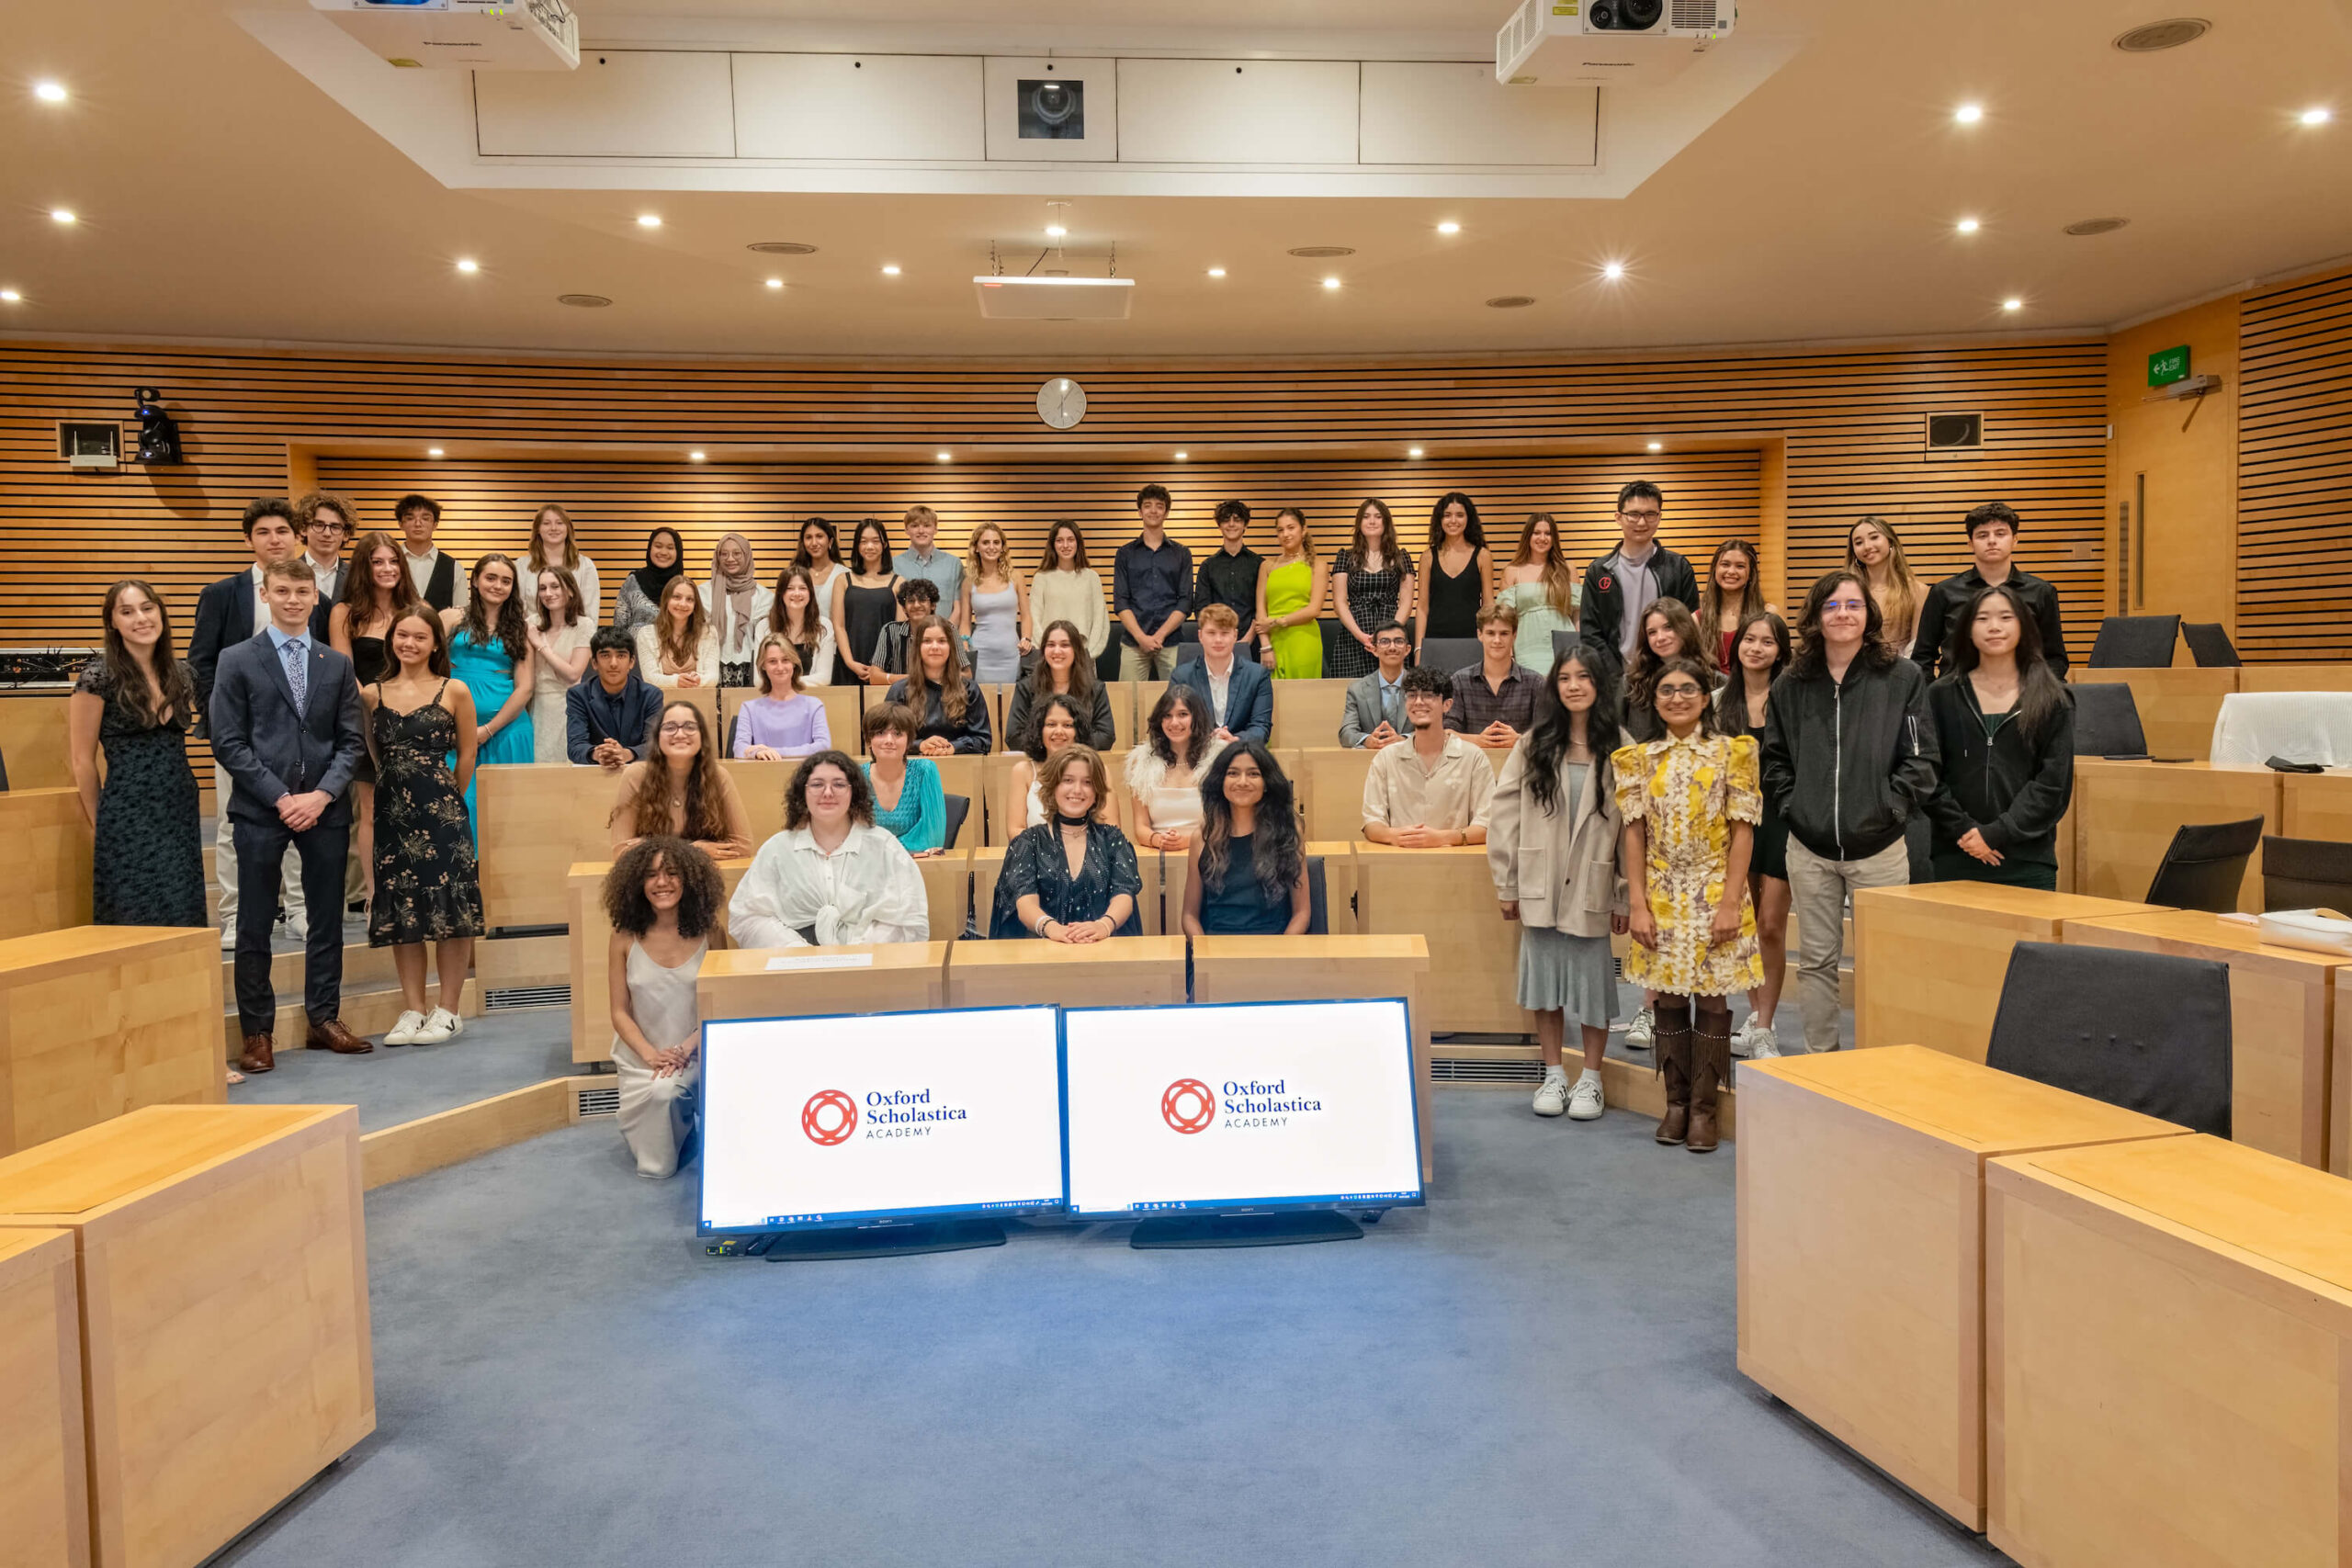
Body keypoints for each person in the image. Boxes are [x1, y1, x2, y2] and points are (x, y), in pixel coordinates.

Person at [1762, 570, 1939, 1055]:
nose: (1843, 614)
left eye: (1853, 605)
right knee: (1816, 961)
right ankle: (1825, 1063)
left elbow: (1921, 758)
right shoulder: (1791, 683)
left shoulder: (1902, 677)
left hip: (1879, 847)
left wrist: (1891, 807)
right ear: (1816, 617)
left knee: (1885, 961)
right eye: (1832, 606)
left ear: (1869, 614)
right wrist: (1794, 807)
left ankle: (1880, 1063)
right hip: (1810, 847)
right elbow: (1774, 759)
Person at [209, 556, 369, 1073]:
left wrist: (321, 795)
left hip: (323, 807)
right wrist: (281, 797)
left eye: (302, 592)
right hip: (261, 807)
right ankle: (257, 1031)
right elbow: (228, 741)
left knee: (327, 920)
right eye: (283, 591)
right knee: (255, 925)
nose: (294, 600)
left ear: (315, 598)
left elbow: (350, 741)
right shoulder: (236, 659)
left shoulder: (335, 663)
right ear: (267, 595)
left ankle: (325, 1018)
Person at [1614, 654, 1763, 1152]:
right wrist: (1638, 903)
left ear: (1705, 696)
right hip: (1660, 893)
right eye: (1666, 691)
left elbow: (1744, 834)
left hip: (1716, 888)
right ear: (1654, 701)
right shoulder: (1638, 760)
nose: (1676, 698)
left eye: (1686, 689)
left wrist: (1728, 904)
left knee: (1714, 997)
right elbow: (1633, 837)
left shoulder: (1733, 753)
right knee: (1669, 996)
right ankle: (1675, 1103)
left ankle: (1705, 1109)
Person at [1488, 645, 1626, 1122]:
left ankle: (1590, 1079)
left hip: (1594, 881)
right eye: (1565, 677)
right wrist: (1507, 883)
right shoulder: (1532, 743)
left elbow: (1633, 829)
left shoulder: (1620, 745)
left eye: (1583, 677)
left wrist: (1625, 894)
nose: (1573, 685)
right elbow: (1503, 816)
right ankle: (1553, 1073)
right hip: (1538, 880)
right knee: (1543, 982)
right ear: (1554, 686)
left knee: (1592, 986)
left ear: (1598, 685)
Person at [189, 498, 311, 949]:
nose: (274, 539)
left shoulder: (314, 592)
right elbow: (200, 664)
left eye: (282, 531)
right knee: (230, 824)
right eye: (264, 532)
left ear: (296, 538)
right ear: (249, 540)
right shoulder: (223, 594)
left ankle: (299, 909)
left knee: (300, 821)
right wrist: (222, 724)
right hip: (238, 735)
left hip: (300, 734)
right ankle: (237, 913)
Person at [361, 606, 484, 1047]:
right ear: (391, 639)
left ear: (435, 643)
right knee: (403, 909)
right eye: (401, 635)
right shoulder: (372, 694)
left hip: (443, 813)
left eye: (419, 637)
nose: (409, 644)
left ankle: (449, 1011)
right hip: (393, 815)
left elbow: (467, 753)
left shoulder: (456, 690)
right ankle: (412, 1007)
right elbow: (375, 755)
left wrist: (448, 794)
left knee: (451, 911)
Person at [69, 581, 206, 931]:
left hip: (179, 807)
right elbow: (82, 760)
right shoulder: (97, 678)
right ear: (112, 622)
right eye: (127, 612)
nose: (141, 618)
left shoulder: (183, 673)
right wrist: (100, 824)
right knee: (134, 912)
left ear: (161, 613)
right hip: (127, 813)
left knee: (181, 907)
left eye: (147, 608)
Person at [1926, 582, 2075, 890]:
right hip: (1956, 850)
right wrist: (1966, 830)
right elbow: (1928, 774)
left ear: (2024, 626)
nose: (1994, 627)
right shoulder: (1941, 695)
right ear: (1967, 629)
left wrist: (1996, 833)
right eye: (1982, 618)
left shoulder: (2052, 697)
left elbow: (2052, 784)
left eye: (2006, 618)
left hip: (2027, 858)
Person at [603, 836, 722, 1179]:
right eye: (651, 875)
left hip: (696, 1052)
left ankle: (684, 1125)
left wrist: (685, 1048)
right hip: (642, 1059)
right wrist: (651, 1055)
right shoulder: (623, 937)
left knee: (665, 1092)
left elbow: (720, 1006)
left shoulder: (712, 933)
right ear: (637, 884)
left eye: (672, 873)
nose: (662, 883)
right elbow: (618, 1012)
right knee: (656, 1167)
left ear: (690, 879)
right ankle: (680, 1132)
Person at [728, 751, 931, 948]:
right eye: (817, 784)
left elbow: (908, 915)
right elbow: (747, 916)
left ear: (854, 792)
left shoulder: (884, 846)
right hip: (793, 970)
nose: (827, 792)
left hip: (870, 967)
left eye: (839, 784)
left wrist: (859, 952)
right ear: (802, 793)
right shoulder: (777, 850)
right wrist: (796, 950)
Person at [326, 528, 420, 909]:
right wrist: (381, 705)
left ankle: (414, 884)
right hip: (367, 719)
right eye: (377, 561)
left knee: (414, 807)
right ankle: (374, 894)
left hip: (415, 720)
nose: (386, 568)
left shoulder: (415, 607)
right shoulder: (344, 612)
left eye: (393, 560)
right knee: (371, 810)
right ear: (364, 567)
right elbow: (343, 672)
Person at [1718, 610, 1793, 1060]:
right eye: (1749, 639)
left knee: (1769, 925)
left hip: (1782, 818)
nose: (1757, 648)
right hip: (1734, 823)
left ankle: (1765, 1024)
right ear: (1737, 646)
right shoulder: (1718, 702)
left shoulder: (1792, 698)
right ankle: (1756, 1020)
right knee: (1746, 927)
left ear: (1781, 651)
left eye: (1768, 641)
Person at [989, 744, 1144, 940]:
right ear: (1052, 786)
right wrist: (1051, 928)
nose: (1077, 790)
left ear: (1097, 791)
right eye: (1068, 780)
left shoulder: (1113, 839)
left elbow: (1124, 894)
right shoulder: (1028, 841)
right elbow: (1024, 902)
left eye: (1087, 782)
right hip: (1043, 950)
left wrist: (1103, 926)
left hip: (1102, 947)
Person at [1910, 502, 2071, 679]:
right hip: (1955, 695)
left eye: (2000, 534)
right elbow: (1922, 656)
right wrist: (1933, 697)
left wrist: (2039, 694)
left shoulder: (2041, 592)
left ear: (2015, 540)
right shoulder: (1943, 592)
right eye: (1982, 535)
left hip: (2024, 696)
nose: (1992, 540)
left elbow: (2055, 659)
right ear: (1970, 543)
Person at [440, 553, 537, 835]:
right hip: (453, 730)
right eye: (491, 578)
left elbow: (525, 687)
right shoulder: (452, 618)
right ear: (475, 580)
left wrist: (488, 730)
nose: (498, 585)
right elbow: (428, 659)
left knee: (506, 817)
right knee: (456, 810)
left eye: (506, 581)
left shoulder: (521, 628)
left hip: (507, 731)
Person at [1182, 742, 1311, 937]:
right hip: (1215, 951)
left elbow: (1302, 913)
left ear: (1267, 783)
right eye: (1233, 773)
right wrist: (1204, 954)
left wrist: (1283, 953)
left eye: (1253, 774)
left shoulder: (1288, 833)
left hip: (1274, 949)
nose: (1242, 782)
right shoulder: (1202, 837)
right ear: (1221, 781)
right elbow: (1189, 916)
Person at [1362, 666, 1493, 846]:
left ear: (1447, 704)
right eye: (1412, 695)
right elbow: (1371, 823)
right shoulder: (1385, 758)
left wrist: (1441, 838)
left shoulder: (1474, 757)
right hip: (1400, 861)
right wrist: (1394, 836)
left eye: (1429, 695)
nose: (1419, 702)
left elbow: (1488, 826)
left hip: (1455, 863)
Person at [608, 700, 753, 862]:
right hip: (652, 880)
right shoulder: (635, 776)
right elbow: (621, 852)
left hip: (703, 879)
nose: (680, 734)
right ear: (657, 737)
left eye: (690, 727)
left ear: (702, 736)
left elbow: (742, 847)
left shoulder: (719, 776)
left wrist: (652, 848)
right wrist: (694, 850)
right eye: (670, 727)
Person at [1579, 481, 1699, 676]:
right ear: (1619, 517)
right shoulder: (1599, 571)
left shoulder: (1678, 567)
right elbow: (1590, 634)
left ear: (1659, 517)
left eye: (1650, 514)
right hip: (1615, 678)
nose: (1642, 523)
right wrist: (1615, 677)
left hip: (1668, 673)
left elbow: (1690, 625)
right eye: (1634, 514)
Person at [1127, 683, 1225, 851]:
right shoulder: (1141, 761)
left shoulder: (1219, 759)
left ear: (1196, 717)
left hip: (1210, 853)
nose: (1174, 723)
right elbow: (1140, 827)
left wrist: (1188, 841)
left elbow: (1225, 823)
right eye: (1167, 715)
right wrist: (1158, 840)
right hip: (1159, 855)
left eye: (1183, 715)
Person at [1330, 499, 1416, 681]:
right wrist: (1362, 636)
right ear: (1359, 523)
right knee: (1353, 695)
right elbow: (1339, 603)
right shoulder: (1345, 557)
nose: (1372, 521)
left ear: (1386, 522)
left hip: (1393, 634)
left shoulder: (1402, 557)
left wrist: (1388, 637)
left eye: (1378, 517)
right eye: (1366, 517)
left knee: (1394, 693)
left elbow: (1406, 602)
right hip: (1354, 635)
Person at [1114, 483, 1192, 681]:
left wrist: (1160, 635)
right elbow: (1121, 601)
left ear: (1166, 512)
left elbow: (1185, 601)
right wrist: (1141, 637)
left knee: (1178, 700)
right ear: (1140, 512)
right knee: (1129, 704)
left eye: (1159, 506)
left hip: (1171, 641)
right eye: (1147, 505)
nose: (1153, 510)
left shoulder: (1182, 554)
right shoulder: (1125, 554)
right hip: (1134, 642)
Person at [886, 616, 992, 755]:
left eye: (942, 641)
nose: (935, 647)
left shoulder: (970, 690)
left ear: (951, 647)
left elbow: (983, 740)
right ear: (917, 647)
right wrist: (920, 745)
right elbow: (885, 739)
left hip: (961, 769)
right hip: (913, 769)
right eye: (927, 641)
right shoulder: (899, 690)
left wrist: (953, 747)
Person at [1006, 619, 1116, 752]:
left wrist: (1066, 743)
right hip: (1040, 762)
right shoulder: (1025, 688)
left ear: (1076, 650)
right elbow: (1014, 737)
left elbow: (1106, 737)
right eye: (1051, 645)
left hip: (1081, 761)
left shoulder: (1096, 689)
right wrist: (1051, 746)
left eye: (1065, 645)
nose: (1057, 651)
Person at [1171, 603, 1272, 743]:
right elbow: (1174, 722)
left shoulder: (1258, 675)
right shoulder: (1181, 676)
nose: (1218, 640)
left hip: (1241, 753)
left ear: (1235, 635)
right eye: (1211, 633)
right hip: (1196, 754)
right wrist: (1206, 740)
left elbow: (1261, 727)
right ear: (1200, 636)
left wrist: (1235, 739)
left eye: (1225, 633)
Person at [568, 626, 663, 771]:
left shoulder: (651, 695)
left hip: (638, 775)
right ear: (594, 663)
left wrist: (626, 754)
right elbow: (575, 746)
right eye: (605, 656)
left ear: (631, 662)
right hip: (595, 775)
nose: (613, 663)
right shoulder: (578, 695)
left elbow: (654, 744)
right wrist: (598, 754)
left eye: (621, 656)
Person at [1620, 599, 1713, 745]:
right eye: (1652, 632)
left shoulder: (1714, 681)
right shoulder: (1631, 683)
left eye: (1668, 627)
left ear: (1685, 627)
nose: (1661, 638)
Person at [863, 703, 949, 857]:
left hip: (916, 868)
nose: (889, 740)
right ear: (869, 740)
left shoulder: (925, 770)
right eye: (880, 733)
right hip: (866, 870)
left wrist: (884, 851)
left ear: (909, 741)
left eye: (897, 733)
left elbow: (933, 836)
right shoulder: (857, 776)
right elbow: (850, 836)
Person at [526, 566, 594, 763]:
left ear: (570, 590)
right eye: (543, 588)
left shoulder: (584, 625)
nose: (548, 593)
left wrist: (541, 645)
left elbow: (573, 674)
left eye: (555, 586)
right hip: (535, 707)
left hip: (567, 708)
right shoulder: (532, 622)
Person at [1446, 603, 1538, 748]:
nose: (1497, 640)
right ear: (1480, 635)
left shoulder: (1535, 682)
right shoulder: (1460, 680)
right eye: (1490, 633)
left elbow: (1550, 733)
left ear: (1514, 635)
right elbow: (1446, 733)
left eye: (1504, 633)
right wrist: (1477, 741)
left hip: (1520, 766)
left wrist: (1520, 740)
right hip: (1472, 766)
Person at [1499, 513, 1578, 673]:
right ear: (1528, 536)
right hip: (1527, 646)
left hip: (1564, 645)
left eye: (1548, 533)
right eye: (1536, 533)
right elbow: (1505, 618)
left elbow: (1577, 614)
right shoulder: (1512, 571)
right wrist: (1508, 649)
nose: (1542, 538)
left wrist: (1581, 645)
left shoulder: (1568, 569)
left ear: (1554, 538)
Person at [1255, 506, 1328, 679]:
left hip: (1303, 640)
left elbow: (1314, 610)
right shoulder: (1267, 566)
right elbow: (1260, 611)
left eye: (1291, 528)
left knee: (1304, 699)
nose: (1285, 534)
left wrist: (1277, 622)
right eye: (1280, 530)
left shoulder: (1318, 565)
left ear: (1304, 529)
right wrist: (1265, 646)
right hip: (1273, 642)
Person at [1417, 491, 1492, 655]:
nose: (1453, 521)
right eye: (1447, 515)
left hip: (1472, 640)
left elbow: (1488, 605)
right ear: (1440, 519)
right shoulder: (1428, 557)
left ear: (1468, 519)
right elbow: (1422, 607)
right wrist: (1419, 649)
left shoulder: (1483, 556)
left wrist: (1489, 642)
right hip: (1435, 641)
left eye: (1459, 515)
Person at [733, 636, 831, 760]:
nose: (780, 667)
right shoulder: (748, 708)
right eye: (772, 661)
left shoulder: (814, 705)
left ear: (794, 663)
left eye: (785, 660)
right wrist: (756, 752)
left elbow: (823, 747)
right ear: (763, 666)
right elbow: (739, 749)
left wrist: (771, 752)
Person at [1029, 521, 1111, 664]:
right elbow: (1034, 620)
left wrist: (1088, 654)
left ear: (1078, 543)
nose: (1065, 545)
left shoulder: (1091, 577)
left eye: (1070, 540)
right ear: (1053, 545)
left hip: (1084, 658)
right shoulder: (1041, 578)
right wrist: (1050, 651)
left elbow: (1100, 621)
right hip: (1051, 659)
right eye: (1060, 540)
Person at [957, 522, 1028, 682]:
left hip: (1011, 653)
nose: (991, 547)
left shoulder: (1016, 577)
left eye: (996, 542)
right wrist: (964, 645)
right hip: (981, 654)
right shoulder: (968, 582)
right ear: (976, 547)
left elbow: (1026, 616)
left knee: (1010, 703)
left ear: (1003, 547)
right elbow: (965, 623)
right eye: (985, 542)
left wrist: (1027, 639)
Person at [832, 518, 901, 686]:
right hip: (847, 663)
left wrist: (878, 670)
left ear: (884, 545)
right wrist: (850, 662)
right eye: (863, 542)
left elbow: (899, 631)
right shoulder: (843, 580)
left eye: (875, 541)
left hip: (886, 667)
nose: (869, 546)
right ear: (857, 546)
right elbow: (838, 625)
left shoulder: (898, 582)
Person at [1193, 501, 1264, 660]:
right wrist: (1220, 637)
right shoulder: (1207, 566)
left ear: (1245, 525)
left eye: (1237, 520)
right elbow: (1201, 609)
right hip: (1216, 644)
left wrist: (1248, 638)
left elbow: (1263, 606)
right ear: (1219, 525)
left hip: (1253, 642)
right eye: (1226, 520)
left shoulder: (1260, 564)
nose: (1231, 524)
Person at [700, 532, 770, 688]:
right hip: (710, 672)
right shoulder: (702, 593)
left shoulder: (764, 597)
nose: (730, 559)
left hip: (753, 673)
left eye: (737, 553)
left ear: (747, 555)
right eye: (724, 554)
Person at [1847, 516, 1922, 657]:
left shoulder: (1918, 590)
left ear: (1890, 541)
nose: (1867, 546)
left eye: (1874, 537)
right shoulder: (1846, 592)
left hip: (1902, 672)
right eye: (1858, 542)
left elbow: (1917, 646)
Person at [1007, 693, 1084, 831]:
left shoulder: (1098, 770)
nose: (1059, 731)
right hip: (1035, 852)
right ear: (1039, 730)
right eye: (1051, 724)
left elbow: (1109, 830)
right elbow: (1015, 830)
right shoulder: (1023, 771)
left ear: (1078, 731)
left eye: (1067, 725)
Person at [523, 502, 600, 626]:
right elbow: (517, 612)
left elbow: (590, 615)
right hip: (532, 637)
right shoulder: (521, 566)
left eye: (559, 523)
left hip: (575, 638)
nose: (553, 528)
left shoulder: (586, 566)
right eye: (546, 523)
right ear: (538, 529)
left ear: (568, 529)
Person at [635, 575, 719, 689]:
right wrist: (676, 681)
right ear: (666, 600)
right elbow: (650, 678)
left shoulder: (709, 633)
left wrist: (699, 680)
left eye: (689, 599)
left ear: (695, 605)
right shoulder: (646, 634)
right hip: (660, 703)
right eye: (677, 597)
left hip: (699, 701)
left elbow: (713, 677)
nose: (683, 604)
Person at [1698, 538, 1770, 671]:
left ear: (1751, 573)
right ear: (1715, 569)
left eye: (1740, 566)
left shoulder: (1768, 615)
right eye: (1725, 564)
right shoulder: (1696, 619)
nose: (1731, 571)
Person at [1339, 622, 1413, 749]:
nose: (1392, 647)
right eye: (1385, 642)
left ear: (1407, 649)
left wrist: (1403, 739)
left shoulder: (1422, 687)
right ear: (1374, 650)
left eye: (1398, 641)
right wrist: (1367, 740)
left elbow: (1434, 731)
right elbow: (1346, 733)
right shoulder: (1357, 690)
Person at [764, 564, 837, 686]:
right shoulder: (765, 626)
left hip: (813, 699)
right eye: (790, 588)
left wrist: (783, 682)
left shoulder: (824, 626)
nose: (797, 593)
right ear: (781, 593)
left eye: (803, 588)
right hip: (774, 700)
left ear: (810, 593)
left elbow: (824, 678)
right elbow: (759, 679)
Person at [394, 493, 466, 613]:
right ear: (401, 524)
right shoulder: (389, 563)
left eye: (425, 518)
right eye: (410, 518)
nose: (418, 524)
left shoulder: (454, 568)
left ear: (435, 525)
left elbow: (461, 616)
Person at [294, 491, 352, 637]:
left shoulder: (358, 576)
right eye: (318, 525)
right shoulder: (286, 575)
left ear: (346, 534)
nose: (327, 533)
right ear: (303, 529)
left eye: (335, 527)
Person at [614, 527, 684, 636]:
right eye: (658, 546)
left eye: (670, 548)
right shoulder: (633, 581)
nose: (663, 552)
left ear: (678, 552)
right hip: (635, 651)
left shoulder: (684, 587)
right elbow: (619, 627)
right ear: (650, 548)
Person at [894, 504, 965, 608]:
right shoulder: (894, 565)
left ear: (935, 529)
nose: (921, 531)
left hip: (946, 624)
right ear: (906, 530)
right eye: (915, 526)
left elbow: (959, 607)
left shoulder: (954, 564)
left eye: (927, 526)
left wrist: (945, 625)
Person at [870, 577, 943, 678]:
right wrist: (911, 681)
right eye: (911, 601)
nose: (916, 605)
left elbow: (966, 674)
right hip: (901, 692)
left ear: (933, 605)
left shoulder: (948, 630)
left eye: (922, 600)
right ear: (904, 608)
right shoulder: (890, 631)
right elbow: (874, 676)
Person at [793, 516, 849, 608]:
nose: (814, 543)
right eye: (808, 537)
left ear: (830, 541)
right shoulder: (794, 574)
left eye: (819, 536)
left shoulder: (845, 574)